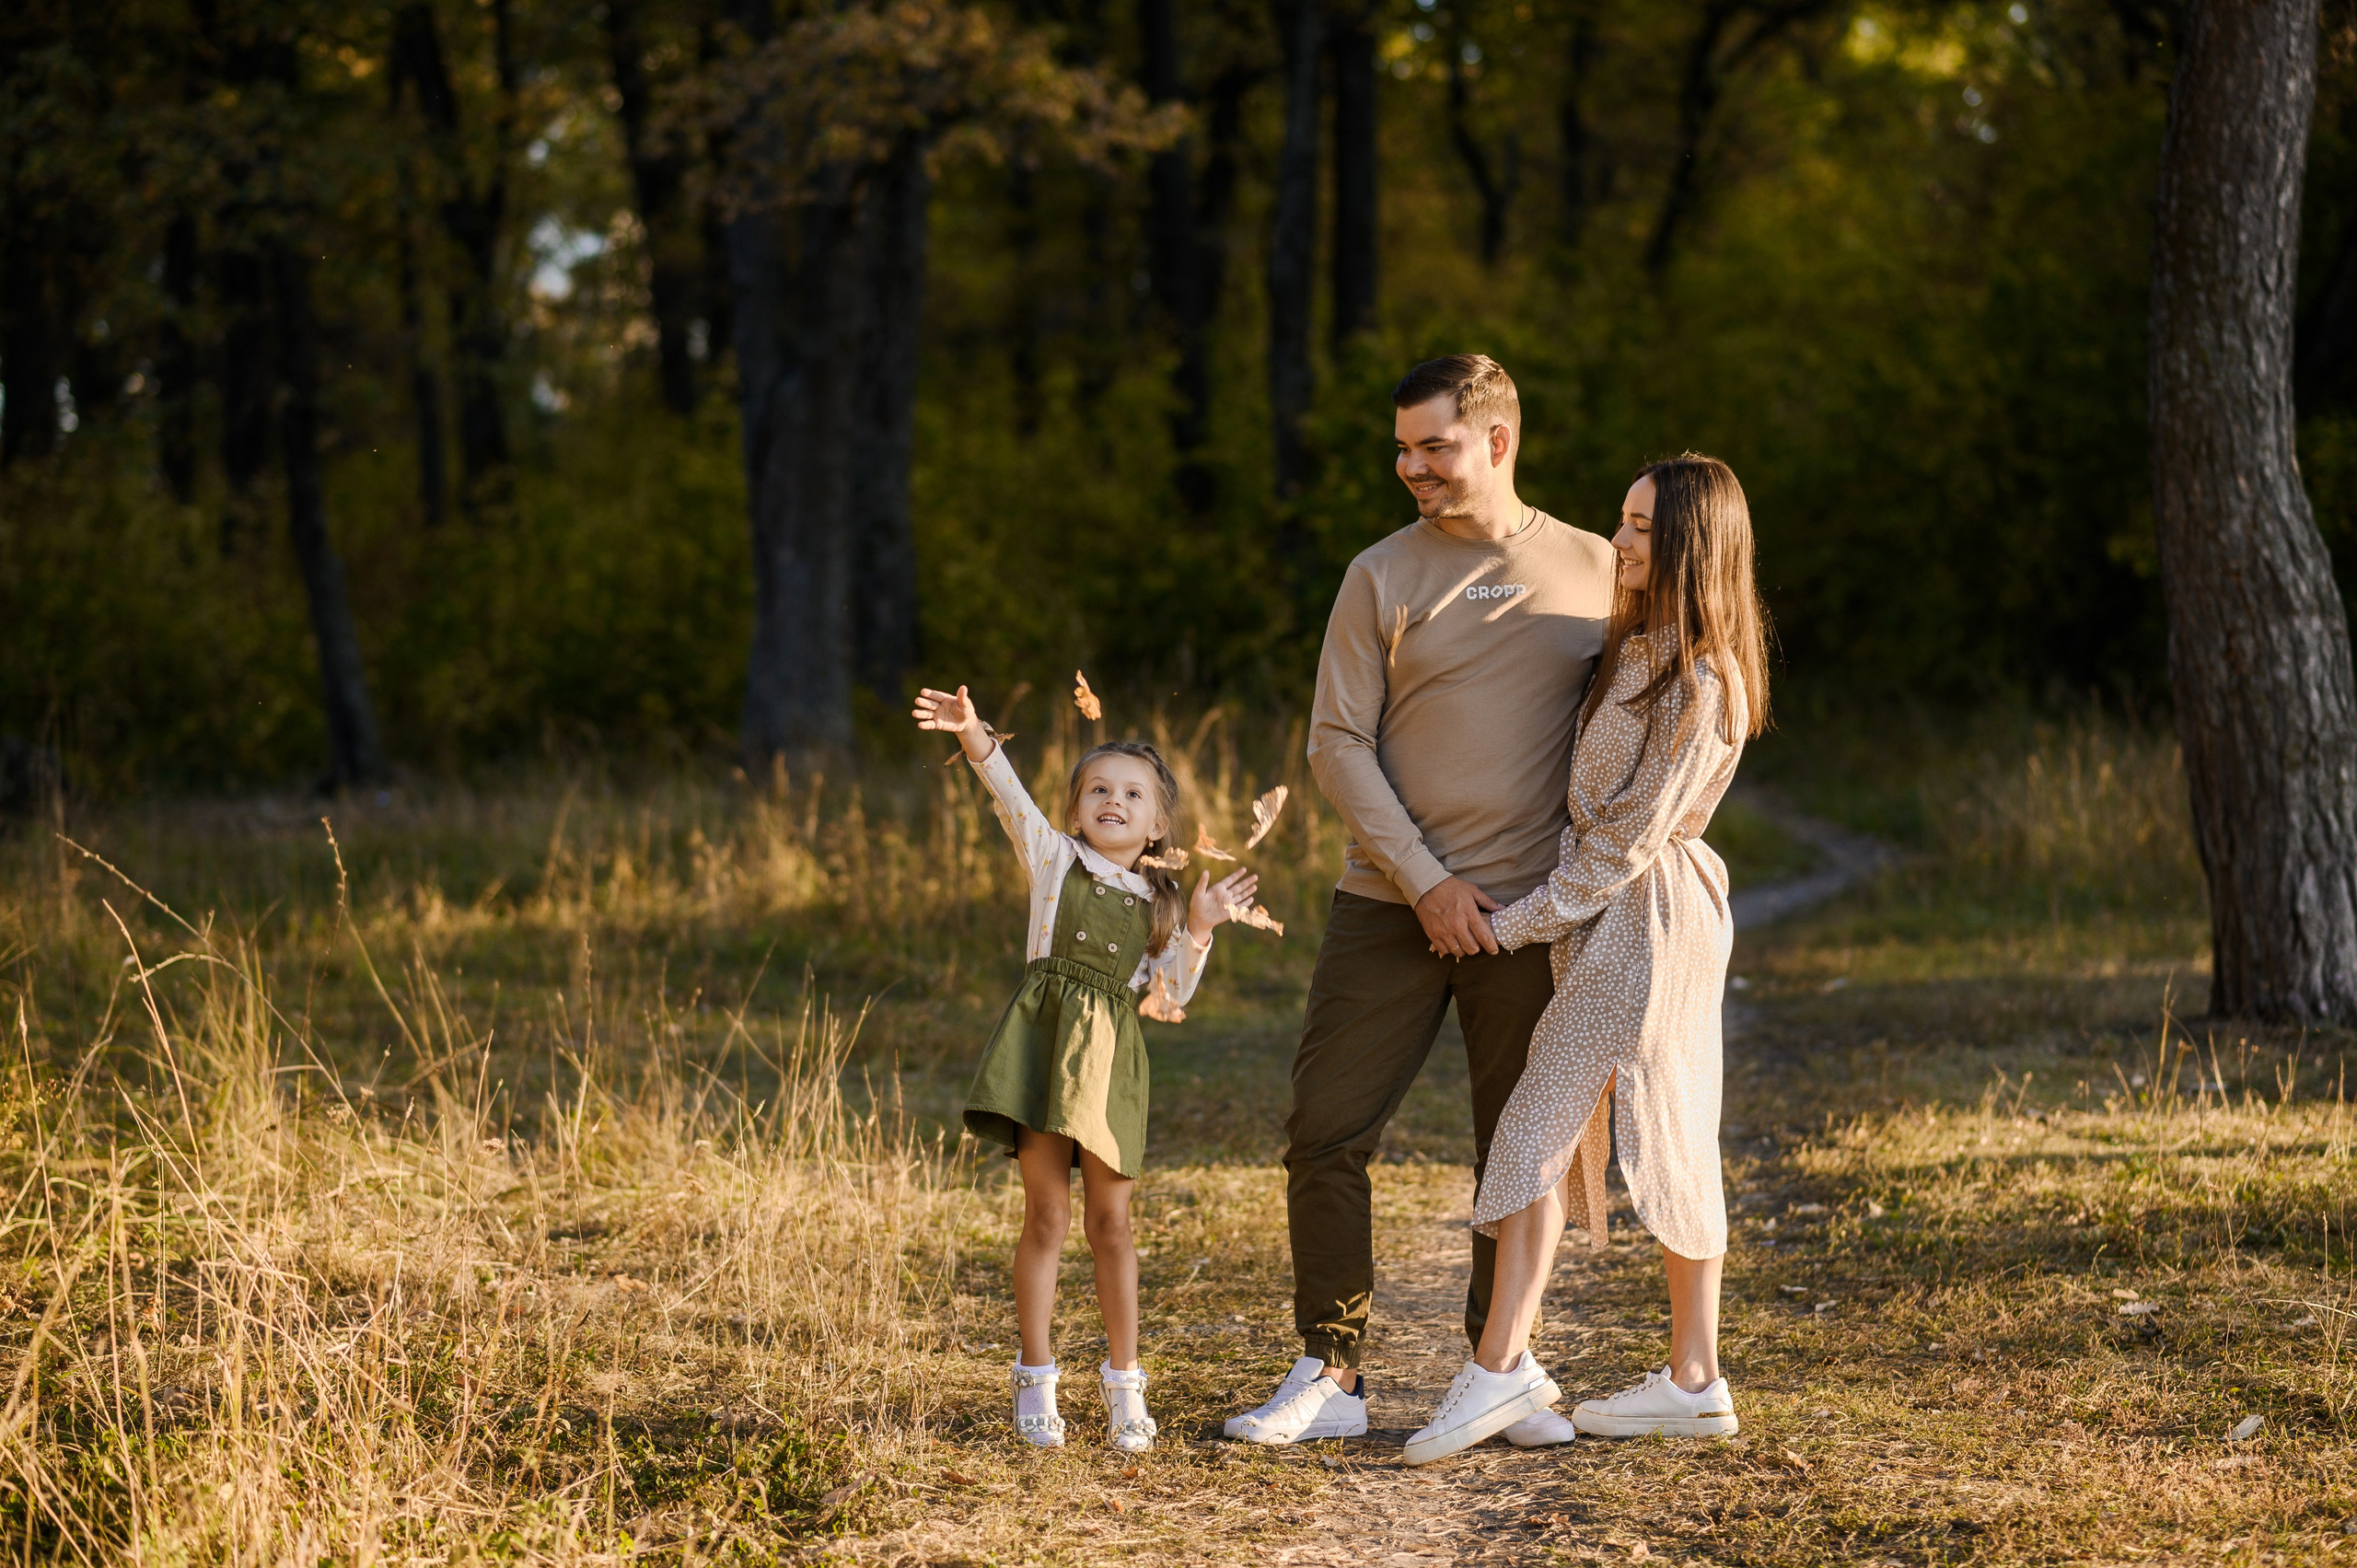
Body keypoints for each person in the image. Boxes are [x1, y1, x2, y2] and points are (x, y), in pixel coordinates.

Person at [1227, 355, 1617, 1447]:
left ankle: (1499, 1363)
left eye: (1431, 447)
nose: (1409, 467)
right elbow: (1335, 741)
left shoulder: (1596, 569)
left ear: (1498, 440)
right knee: (1325, 1127)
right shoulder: (1380, 573)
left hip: (1530, 914)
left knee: (1519, 1143)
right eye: (1400, 449)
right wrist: (1425, 879)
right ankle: (1331, 1372)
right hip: (1387, 903)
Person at [1400, 452, 1771, 1465]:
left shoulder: (1701, 675)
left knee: (1547, 1124)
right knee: (1621, 1129)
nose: (1621, 541)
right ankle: (1690, 1378)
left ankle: (1500, 1364)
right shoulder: (1640, 649)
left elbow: (1622, 843)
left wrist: (1513, 921)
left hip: (1647, 920)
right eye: (1624, 520)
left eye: (1643, 527)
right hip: (1615, 917)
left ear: (1695, 544)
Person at [915, 683, 1260, 1452]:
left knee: (1112, 1224)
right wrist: (973, 732)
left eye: (1132, 793)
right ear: (1074, 811)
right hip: (1042, 1054)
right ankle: (1035, 1375)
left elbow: (1171, 995)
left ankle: (1124, 1384)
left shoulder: (1161, 900)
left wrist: (1200, 927)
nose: (1113, 800)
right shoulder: (1051, 858)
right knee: (1047, 1217)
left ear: (1157, 822)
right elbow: (1006, 793)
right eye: (1098, 788)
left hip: (1111, 1071)